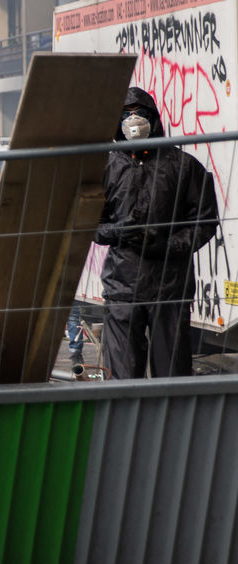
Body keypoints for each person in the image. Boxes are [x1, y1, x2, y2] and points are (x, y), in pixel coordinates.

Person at [94, 86, 219, 379]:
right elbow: (89, 223)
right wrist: (118, 231)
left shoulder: (184, 166)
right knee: (122, 375)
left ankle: (172, 411)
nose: (133, 120)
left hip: (169, 287)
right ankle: (127, 411)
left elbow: (204, 221)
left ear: (154, 118)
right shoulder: (106, 168)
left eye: (140, 113)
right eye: (126, 114)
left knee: (172, 372)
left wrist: (167, 245)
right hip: (122, 287)